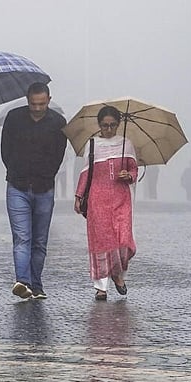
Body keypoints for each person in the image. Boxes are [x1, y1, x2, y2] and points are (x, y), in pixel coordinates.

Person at [1, 82, 68, 300]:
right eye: (33, 104)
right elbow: (6, 151)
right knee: (22, 237)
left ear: (49, 100)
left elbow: (59, 155)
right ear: (27, 100)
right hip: (17, 186)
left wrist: (46, 174)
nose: (37, 108)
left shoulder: (58, 123)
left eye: (41, 104)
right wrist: (15, 169)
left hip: (44, 188)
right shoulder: (14, 118)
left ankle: (36, 284)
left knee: (39, 240)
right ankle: (23, 281)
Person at [73, 106, 137, 301]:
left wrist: (128, 175)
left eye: (112, 125)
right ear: (99, 125)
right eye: (104, 126)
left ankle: (118, 274)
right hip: (97, 199)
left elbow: (134, 170)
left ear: (118, 125)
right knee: (101, 242)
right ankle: (101, 287)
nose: (108, 130)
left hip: (121, 198)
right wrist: (78, 196)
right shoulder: (92, 144)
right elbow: (86, 172)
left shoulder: (127, 144)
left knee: (123, 240)